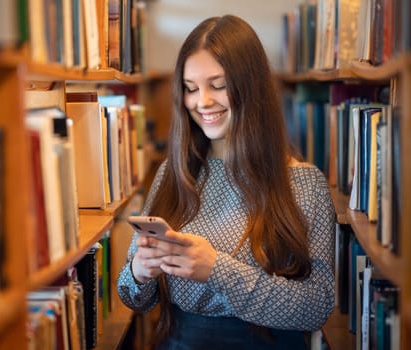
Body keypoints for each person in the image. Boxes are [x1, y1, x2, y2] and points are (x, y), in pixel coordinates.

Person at [117, 14, 336, 350]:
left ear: (251, 86)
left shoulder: (304, 184)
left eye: (217, 85)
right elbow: (133, 299)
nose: (202, 102)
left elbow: (316, 307)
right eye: (190, 89)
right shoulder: (173, 175)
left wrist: (217, 269)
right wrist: (138, 271)